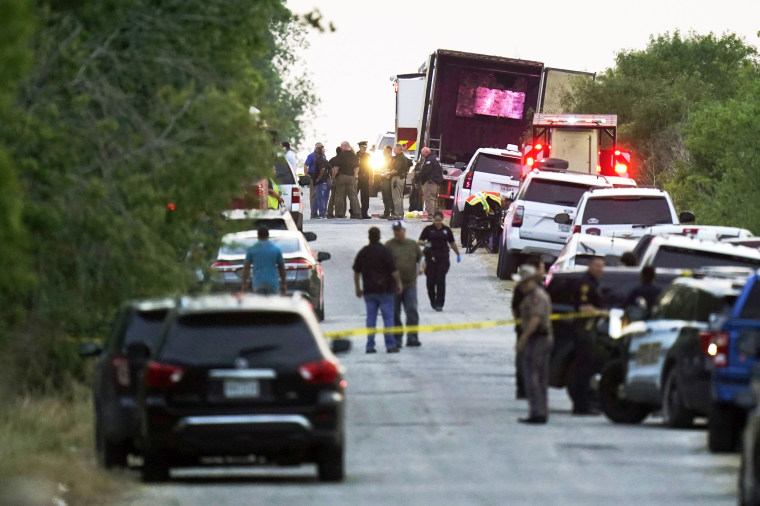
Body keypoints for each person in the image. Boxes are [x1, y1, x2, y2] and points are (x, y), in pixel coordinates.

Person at [353, 227, 403, 353]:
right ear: (379, 236)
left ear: (369, 237)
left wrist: (358, 288)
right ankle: (390, 345)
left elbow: (356, 272)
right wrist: (399, 284)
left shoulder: (364, 252)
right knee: (388, 318)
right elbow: (394, 271)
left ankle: (370, 346)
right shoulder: (385, 251)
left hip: (369, 290)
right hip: (385, 290)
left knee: (371, 318)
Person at [514, 264, 553, 424]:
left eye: (523, 283)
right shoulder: (534, 295)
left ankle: (537, 412)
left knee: (533, 376)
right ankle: (539, 411)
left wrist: (523, 338)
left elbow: (536, 319)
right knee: (539, 377)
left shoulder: (536, 297)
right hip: (540, 339)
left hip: (538, 339)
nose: (521, 286)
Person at [569, 255, 605, 415]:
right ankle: (580, 406)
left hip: (590, 330)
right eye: (597, 265)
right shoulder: (585, 283)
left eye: (601, 266)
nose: (600, 269)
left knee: (587, 368)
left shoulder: (594, 282)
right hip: (584, 330)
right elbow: (584, 308)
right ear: (590, 266)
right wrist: (604, 313)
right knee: (582, 370)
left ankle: (583, 404)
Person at [512, 257, 547, 399]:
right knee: (524, 360)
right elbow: (516, 308)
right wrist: (522, 326)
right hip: (528, 328)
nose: (544, 270)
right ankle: (524, 389)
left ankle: (526, 389)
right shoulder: (529, 288)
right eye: (542, 267)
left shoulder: (539, 286)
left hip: (533, 330)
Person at [385, 220, 422, 347]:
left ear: (404, 230)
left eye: (399, 230)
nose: (396, 233)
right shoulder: (389, 246)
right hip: (394, 285)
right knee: (395, 312)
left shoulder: (412, 245)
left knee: (411, 310)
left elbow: (421, 258)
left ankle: (412, 337)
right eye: (394, 230)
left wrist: (422, 267)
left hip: (410, 284)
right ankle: (397, 339)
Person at [418, 210, 461, 311]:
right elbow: (420, 242)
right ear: (433, 220)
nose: (437, 222)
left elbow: (452, 243)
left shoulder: (447, 230)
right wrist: (428, 245)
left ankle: (440, 304)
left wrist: (458, 254)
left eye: (439, 220)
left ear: (442, 219)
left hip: (443, 257)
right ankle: (433, 300)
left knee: (440, 280)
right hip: (430, 258)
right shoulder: (428, 230)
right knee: (430, 282)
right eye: (435, 220)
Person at [240, 226, 286, 295]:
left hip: (258, 283)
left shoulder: (252, 249)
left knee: (260, 304)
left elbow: (246, 268)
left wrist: (244, 283)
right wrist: (283, 283)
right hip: (272, 283)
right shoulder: (276, 249)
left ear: (258, 236)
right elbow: (281, 268)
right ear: (268, 235)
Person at [331, 141, 362, 219]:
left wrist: (333, 177)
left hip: (341, 177)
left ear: (345, 146)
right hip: (351, 177)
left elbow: (336, 168)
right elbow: (357, 167)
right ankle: (357, 213)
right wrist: (354, 176)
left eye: (342, 146)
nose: (341, 148)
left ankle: (339, 214)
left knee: (340, 196)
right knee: (353, 196)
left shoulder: (341, 155)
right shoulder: (353, 155)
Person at [418, 147, 443, 221]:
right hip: (436, 182)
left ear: (426, 152)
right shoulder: (436, 158)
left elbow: (425, 171)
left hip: (430, 182)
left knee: (429, 199)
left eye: (423, 155)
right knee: (434, 199)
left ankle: (430, 216)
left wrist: (418, 176)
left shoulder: (430, 160)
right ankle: (434, 216)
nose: (423, 156)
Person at [389, 143, 412, 219]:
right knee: (399, 196)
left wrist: (387, 173)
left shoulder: (400, 158)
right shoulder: (403, 157)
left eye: (395, 149)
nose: (393, 150)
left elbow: (396, 170)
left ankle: (398, 214)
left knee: (396, 197)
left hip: (397, 178)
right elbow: (410, 163)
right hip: (401, 178)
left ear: (399, 149)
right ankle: (400, 213)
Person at [304, 142, 324, 219]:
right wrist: (306, 174)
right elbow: (306, 165)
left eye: (321, 147)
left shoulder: (323, 155)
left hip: (321, 177)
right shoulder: (311, 156)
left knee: (320, 196)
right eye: (318, 147)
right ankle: (313, 213)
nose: (320, 149)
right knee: (313, 196)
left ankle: (320, 213)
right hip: (313, 177)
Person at [311, 146, 332, 219]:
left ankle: (322, 214)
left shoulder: (318, 160)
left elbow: (322, 169)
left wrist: (319, 178)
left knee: (320, 199)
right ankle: (315, 214)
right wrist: (329, 177)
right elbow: (330, 168)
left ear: (317, 153)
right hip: (325, 181)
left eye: (315, 152)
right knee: (321, 198)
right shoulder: (325, 160)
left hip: (320, 182)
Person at [356, 141, 373, 219]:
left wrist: (371, 178)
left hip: (365, 178)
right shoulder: (356, 155)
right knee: (354, 195)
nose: (364, 149)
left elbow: (371, 167)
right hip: (357, 177)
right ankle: (354, 212)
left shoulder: (368, 156)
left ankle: (364, 213)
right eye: (363, 147)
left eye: (365, 147)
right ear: (359, 147)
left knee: (365, 196)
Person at [326, 146, 341, 218]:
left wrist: (330, 178)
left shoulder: (332, 160)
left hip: (332, 179)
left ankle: (330, 212)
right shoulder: (341, 159)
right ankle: (338, 213)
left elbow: (327, 168)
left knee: (332, 197)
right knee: (339, 197)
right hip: (338, 179)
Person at [380, 145, 394, 219]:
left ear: (388, 151)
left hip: (388, 180)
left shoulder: (391, 159)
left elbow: (391, 170)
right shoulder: (384, 159)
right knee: (385, 197)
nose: (383, 152)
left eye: (385, 151)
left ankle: (391, 212)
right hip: (383, 179)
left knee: (388, 197)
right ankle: (386, 212)